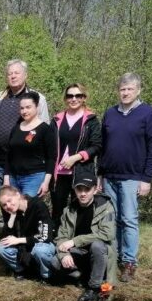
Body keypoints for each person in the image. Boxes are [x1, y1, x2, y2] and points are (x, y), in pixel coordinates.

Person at [99, 72, 152, 283]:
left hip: (132, 176)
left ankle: (129, 262)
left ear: (138, 91)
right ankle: (113, 257)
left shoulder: (148, 114)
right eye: (122, 89)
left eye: (129, 89)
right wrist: (100, 174)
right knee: (112, 219)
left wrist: (147, 178)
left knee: (129, 219)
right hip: (109, 175)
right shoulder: (110, 113)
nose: (125, 93)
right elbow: (103, 146)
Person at [49, 168, 118, 301]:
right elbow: (61, 237)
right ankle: (83, 276)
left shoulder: (106, 207)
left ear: (94, 189)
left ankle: (93, 287)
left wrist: (75, 241)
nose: (83, 194)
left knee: (97, 245)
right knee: (55, 262)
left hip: (99, 253)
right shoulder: (69, 210)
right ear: (74, 190)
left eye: (87, 190)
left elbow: (107, 234)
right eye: (79, 189)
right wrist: (65, 255)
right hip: (79, 252)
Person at [0, 59, 50, 192]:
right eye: (10, 73)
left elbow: (45, 130)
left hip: (26, 163)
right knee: (5, 202)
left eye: (17, 72)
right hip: (0, 160)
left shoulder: (38, 98)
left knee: (26, 204)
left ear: (25, 75)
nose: (13, 76)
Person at [51, 83, 102, 224]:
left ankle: (79, 242)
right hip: (59, 174)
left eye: (77, 95)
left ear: (84, 98)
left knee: (81, 209)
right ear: (65, 99)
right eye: (70, 96)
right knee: (58, 209)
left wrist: (76, 157)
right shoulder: (57, 119)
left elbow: (96, 146)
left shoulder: (91, 120)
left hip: (81, 172)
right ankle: (56, 240)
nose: (73, 99)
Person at [0, 185, 55, 280]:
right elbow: (4, 238)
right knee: (1, 247)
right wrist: (12, 217)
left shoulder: (38, 206)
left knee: (41, 250)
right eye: (4, 205)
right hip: (24, 249)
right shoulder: (12, 212)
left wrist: (19, 240)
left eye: (9, 201)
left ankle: (46, 276)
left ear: (18, 195)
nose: (8, 206)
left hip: (41, 244)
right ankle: (20, 271)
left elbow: (45, 236)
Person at [3, 91, 57, 198]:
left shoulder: (45, 129)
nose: (24, 111)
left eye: (28, 107)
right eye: (22, 108)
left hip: (34, 178)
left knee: (28, 210)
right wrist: (6, 178)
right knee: (13, 210)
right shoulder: (16, 128)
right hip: (13, 178)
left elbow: (51, 158)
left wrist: (46, 182)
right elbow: (9, 155)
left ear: (37, 107)